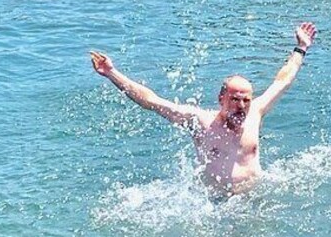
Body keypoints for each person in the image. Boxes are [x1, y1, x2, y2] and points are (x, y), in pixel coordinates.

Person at [90, 22, 318, 199]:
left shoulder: (255, 112)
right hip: (216, 204)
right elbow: (152, 101)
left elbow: (283, 80)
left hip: (255, 198)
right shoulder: (200, 121)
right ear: (221, 99)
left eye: (246, 100)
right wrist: (111, 73)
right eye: (235, 100)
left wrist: (301, 48)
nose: (241, 106)